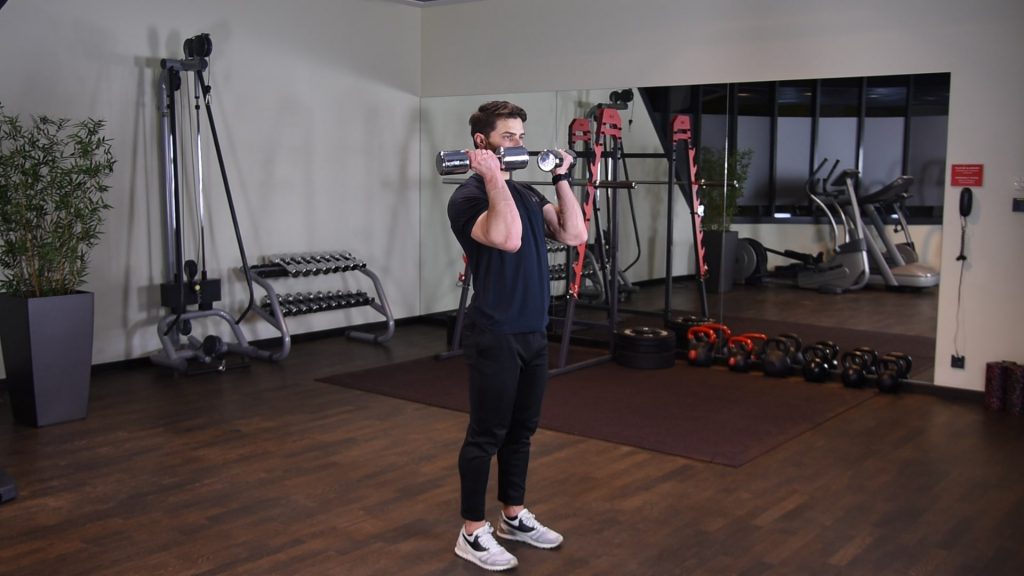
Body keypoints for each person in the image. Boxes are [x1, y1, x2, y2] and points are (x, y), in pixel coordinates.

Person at [447, 101, 587, 571]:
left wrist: (562, 178)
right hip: (494, 332)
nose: (519, 145)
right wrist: (492, 176)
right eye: (508, 137)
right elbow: (507, 239)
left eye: (521, 137)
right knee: (486, 434)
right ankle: (472, 531)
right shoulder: (467, 197)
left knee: (522, 431)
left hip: (532, 331)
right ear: (482, 142)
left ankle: (512, 515)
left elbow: (574, 234)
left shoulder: (526, 192)